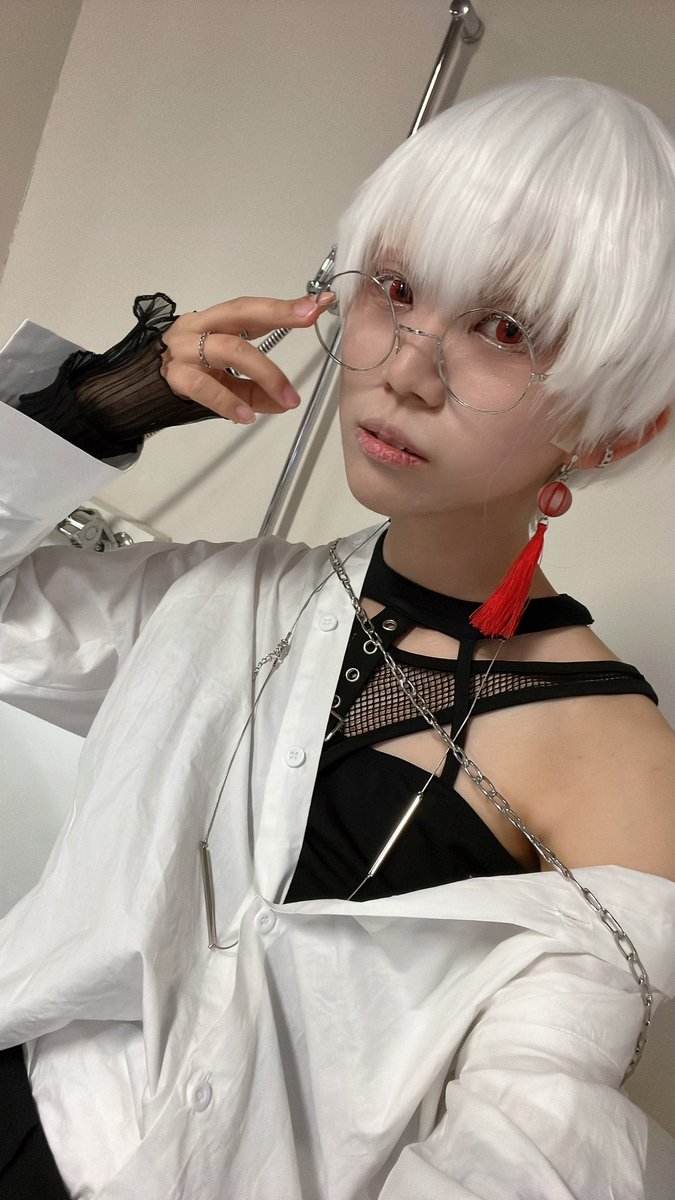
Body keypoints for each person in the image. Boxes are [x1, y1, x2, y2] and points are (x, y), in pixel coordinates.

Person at [0, 75, 674, 1200]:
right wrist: (102, 405)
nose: (404, 368)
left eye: (505, 329)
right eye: (396, 289)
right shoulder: (229, 598)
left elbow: (529, 1140)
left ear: (621, 427)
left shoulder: (626, 773)